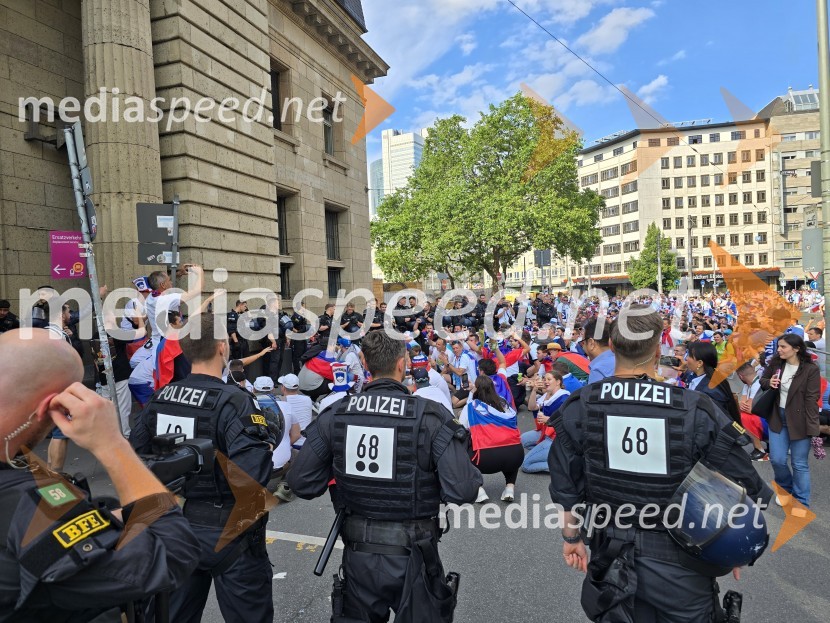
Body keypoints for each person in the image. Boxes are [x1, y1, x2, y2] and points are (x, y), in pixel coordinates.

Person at [548, 306, 772, 623]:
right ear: (657, 350)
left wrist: (571, 539)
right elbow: (744, 482)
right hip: (683, 566)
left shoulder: (580, 405)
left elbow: (566, 486)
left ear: (611, 346)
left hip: (611, 560)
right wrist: (733, 544)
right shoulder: (694, 408)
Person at [0, 329, 200, 620]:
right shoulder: (27, 505)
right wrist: (113, 444)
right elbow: (172, 554)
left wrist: (103, 520)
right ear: (57, 406)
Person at [288, 330, 482, 623]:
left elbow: (302, 482)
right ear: (403, 364)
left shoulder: (336, 413)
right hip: (415, 553)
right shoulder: (431, 416)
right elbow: (464, 489)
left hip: (359, 555)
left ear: (365, 363)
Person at [130, 314, 280, 622]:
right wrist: (264, 449)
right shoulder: (235, 400)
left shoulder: (161, 397)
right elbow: (251, 476)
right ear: (222, 347)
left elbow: (135, 458)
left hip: (174, 525)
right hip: (229, 530)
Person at [759, 333, 821, 507]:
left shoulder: (810, 369)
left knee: (799, 463)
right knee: (777, 459)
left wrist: (813, 427)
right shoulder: (775, 363)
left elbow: (812, 399)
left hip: (800, 420)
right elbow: (762, 380)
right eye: (778, 346)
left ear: (796, 349)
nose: (779, 350)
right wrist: (769, 382)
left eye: (783, 347)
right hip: (777, 417)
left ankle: (801, 501)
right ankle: (785, 490)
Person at [461, 375, 524, 503]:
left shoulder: (471, 407)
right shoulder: (504, 404)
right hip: (516, 455)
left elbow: (462, 428)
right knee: (510, 445)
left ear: (477, 389)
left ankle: (478, 490)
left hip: (485, 459)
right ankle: (510, 488)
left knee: (460, 447)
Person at [254, 376, 300, 503]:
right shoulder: (286, 406)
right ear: (273, 390)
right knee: (297, 453)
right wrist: (283, 445)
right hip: (280, 467)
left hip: (253, 468)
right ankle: (285, 486)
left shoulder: (245, 406)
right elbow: (296, 434)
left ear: (253, 390)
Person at [521, 371, 570, 474]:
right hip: (546, 432)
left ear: (558, 382)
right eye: (544, 379)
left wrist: (548, 419)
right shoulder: (547, 395)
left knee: (526, 465)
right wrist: (534, 390)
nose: (545, 381)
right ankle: (552, 456)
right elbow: (531, 407)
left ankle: (562, 466)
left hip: (557, 438)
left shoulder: (564, 397)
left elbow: (568, 421)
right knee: (522, 440)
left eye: (549, 379)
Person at [685, 342, 741, 423]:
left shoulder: (709, 393)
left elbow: (708, 423)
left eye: (689, 356)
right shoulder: (695, 376)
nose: (686, 358)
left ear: (699, 363)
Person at [735, 362, 769, 461]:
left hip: (770, 420)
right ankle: (761, 445)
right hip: (763, 418)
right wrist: (742, 405)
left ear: (740, 376)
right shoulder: (747, 385)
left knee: (743, 417)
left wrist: (741, 404)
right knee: (740, 414)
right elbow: (743, 405)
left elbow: (751, 409)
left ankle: (760, 450)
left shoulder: (758, 384)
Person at [583, 316, 615, 382]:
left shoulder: (598, 370)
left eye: (583, 342)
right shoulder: (622, 361)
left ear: (591, 343)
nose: (583, 347)